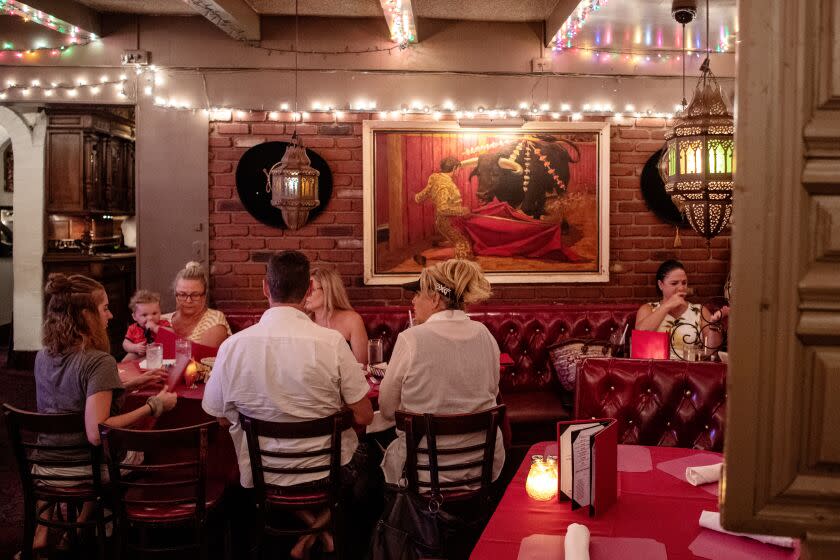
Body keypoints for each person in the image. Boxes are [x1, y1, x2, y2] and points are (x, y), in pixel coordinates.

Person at [202, 251, 374, 559]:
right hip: (328, 470)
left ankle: (307, 534)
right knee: (365, 455)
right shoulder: (331, 343)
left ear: (265, 288)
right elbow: (364, 415)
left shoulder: (232, 347)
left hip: (262, 471)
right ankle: (320, 531)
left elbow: (217, 417)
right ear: (308, 289)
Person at [32, 274, 177, 550]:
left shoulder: (43, 355)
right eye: (105, 308)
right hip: (85, 468)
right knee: (141, 453)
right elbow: (98, 432)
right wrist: (154, 405)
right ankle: (85, 528)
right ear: (86, 315)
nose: (110, 315)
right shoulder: (99, 361)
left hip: (45, 465)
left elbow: (72, 401)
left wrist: (133, 383)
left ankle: (43, 534)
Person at [378, 259, 505, 489]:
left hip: (425, 473)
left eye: (418, 294)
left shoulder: (411, 339)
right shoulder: (485, 335)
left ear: (435, 299)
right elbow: (493, 392)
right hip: (480, 467)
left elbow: (387, 409)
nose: (413, 300)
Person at [635, 259, 728, 360]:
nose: (681, 288)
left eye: (684, 283)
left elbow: (712, 352)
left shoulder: (699, 310)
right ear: (661, 285)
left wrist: (714, 324)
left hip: (690, 370)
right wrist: (667, 306)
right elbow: (640, 337)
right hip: (657, 370)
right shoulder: (648, 309)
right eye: (674, 283)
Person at [414, 156, 474, 263]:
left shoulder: (435, 178)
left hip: (443, 221)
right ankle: (425, 256)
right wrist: (462, 210)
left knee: (463, 240)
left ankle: (442, 244)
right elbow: (442, 209)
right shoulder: (445, 185)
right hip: (448, 222)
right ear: (455, 168)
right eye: (459, 169)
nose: (459, 172)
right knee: (466, 250)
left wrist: (416, 197)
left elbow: (421, 196)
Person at [304, 267, 368, 364]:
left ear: (328, 290)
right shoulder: (304, 322)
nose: (306, 294)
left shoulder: (353, 320)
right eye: (304, 290)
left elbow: (362, 365)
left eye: (311, 290)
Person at [160, 261, 231, 348]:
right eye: (182, 294)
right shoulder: (163, 320)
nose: (188, 300)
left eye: (195, 295)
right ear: (175, 295)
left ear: (204, 296)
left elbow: (204, 358)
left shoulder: (214, 319)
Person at [122, 289, 171, 361]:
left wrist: (155, 327)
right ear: (134, 317)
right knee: (126, 360)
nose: (150, 318)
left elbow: (172, 334)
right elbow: (125, 344)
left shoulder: (163, 324)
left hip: (159, 354)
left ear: (160, 312)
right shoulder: (133, 328)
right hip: (140, 354)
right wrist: (135, 347)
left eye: (154, 313)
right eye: (144, 315)